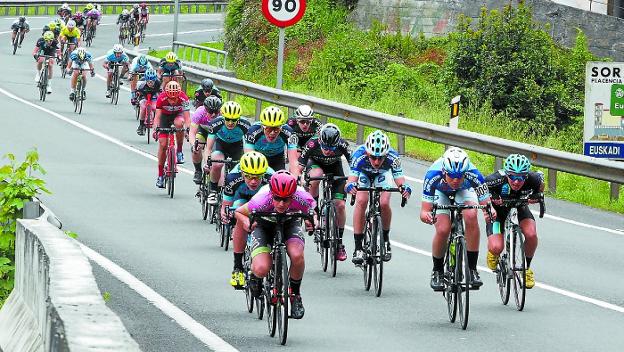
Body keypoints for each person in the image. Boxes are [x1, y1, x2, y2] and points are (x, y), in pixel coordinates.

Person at [234, 170, 316, 319]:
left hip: (289, 223)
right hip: (264, 226)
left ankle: (295, 295)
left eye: (286, 200)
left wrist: (312, 222)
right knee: (261, 268)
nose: (281, 204)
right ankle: (255, 278)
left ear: (294, 196)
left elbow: (312, 214)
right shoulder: (260, 200)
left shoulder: (302, 197)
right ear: (272, 194)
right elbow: (238, 212)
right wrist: (246, 222)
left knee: (297, 255)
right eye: (277, 199)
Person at [419, 147, 495, 291]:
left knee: (471, 216)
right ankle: (437, 271)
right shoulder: (432, 175)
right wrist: (427, 216)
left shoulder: (474, 174)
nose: (455, 180)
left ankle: (472, 269)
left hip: (464, 191)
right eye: (452, 176)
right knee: (443, 229)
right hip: (440, 192)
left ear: (465, 173)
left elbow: (486, 206)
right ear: (444, 172)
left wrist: (490, 211)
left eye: (460, 176)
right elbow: (424, 212)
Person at [346, 130, 411, 264]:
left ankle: (385, 239)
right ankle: (358, 247)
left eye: (380, 158)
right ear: (367, 153)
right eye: (373, 157)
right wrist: (350, 186)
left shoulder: (393, 157)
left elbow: (400, 180)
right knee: (362, 201)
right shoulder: (359, 155)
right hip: (364, 174)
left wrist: (405, 188)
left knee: (384, 203)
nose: (376, 161)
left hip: (383, 175)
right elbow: (351, 180)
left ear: (386, 155)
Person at [485, 154, 544, 289]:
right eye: (512, 176)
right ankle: (493, 253)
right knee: (496, 247)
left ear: (526, 175)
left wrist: (536, 196)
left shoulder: (534, 179)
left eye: (521, 177)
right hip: (498, 211)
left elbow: (540, 189)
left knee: (531, 234)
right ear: (506, 174)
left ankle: (526, 269)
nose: (516, 181)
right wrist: (492, 197)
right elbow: (480, 191)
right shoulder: (495, 180)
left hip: (520, 205)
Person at [294, 123, 351, 261]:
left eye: (331, 148)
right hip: (315, 164)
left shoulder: (343, 145)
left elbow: (354, 167)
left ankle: (339, 242)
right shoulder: (312, 144)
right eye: (324, 147)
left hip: (335, 168)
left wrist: (353, 181)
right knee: (315, 176)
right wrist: (298, 179)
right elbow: (298, 167)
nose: (327, 150)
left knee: (340, 205)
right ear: (320, 141)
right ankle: (316, 212)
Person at [225, 151, 273, 289]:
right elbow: (226, 207)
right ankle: (238, 267)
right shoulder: (232, 177)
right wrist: (228, 216)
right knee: (240, 217)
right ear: (242, 174)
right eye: (249, 177)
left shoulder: (271, 177)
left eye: (257, 178)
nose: (253, 181)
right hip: (242, 198)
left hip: (263, 199)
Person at [197, 101, 251, 202]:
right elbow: (208, 148)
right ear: (223, 116)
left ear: (238, 118)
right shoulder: (216, 123)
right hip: (220, 145)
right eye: (228, 119)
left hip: (236, 147)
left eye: (234, 120)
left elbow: (249, 149)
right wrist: (207, 163)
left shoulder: (245, 125)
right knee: (216, 164)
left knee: (239, 171)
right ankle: (213, 191)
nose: (230, 123)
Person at [153, 81, 191, 188]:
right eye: (170, 98)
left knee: (179, 124)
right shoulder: (161, 98)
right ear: (166, 95)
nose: (173, 101)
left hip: (177, 115)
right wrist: (155, 129)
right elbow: (157, 117)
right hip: (164, 118)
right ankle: (160, 175)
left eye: (175, 99)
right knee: (163, 144)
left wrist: (188, 130)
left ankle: (179, 151)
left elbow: (187, 118)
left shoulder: (183, 98)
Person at [244, 106, 298, 172]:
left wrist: (294, 179)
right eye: (268, 129)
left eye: (276, 129)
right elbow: (249, 158)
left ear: (281, 127)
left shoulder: (289, 133)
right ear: (262, 126)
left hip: (277, 158)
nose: (272, 133)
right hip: (258, 157)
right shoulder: (253, 131)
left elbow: (294, 162)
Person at [189, 96, 223, 182]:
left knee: (216, 152)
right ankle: (198, 170)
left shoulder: (223, 114)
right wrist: (194, 145)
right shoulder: (199, 112)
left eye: (216, 111)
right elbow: (192, 133)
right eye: (211, 112)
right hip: (203, 131)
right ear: (205, 109)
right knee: (197, 147)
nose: (214, 114)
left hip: (216, 133)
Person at [135, 69, 161, 136]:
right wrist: (136, 97)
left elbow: (160, 93)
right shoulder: (141, 84)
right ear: (145, 80)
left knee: (156, 108)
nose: (150, 83)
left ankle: (157, 123)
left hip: (153, 97)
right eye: (148, 82)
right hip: (144, 96)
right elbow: (137, 92)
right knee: (143, 108)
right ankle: (141, 125)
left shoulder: (158, 83)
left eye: (152, 81)